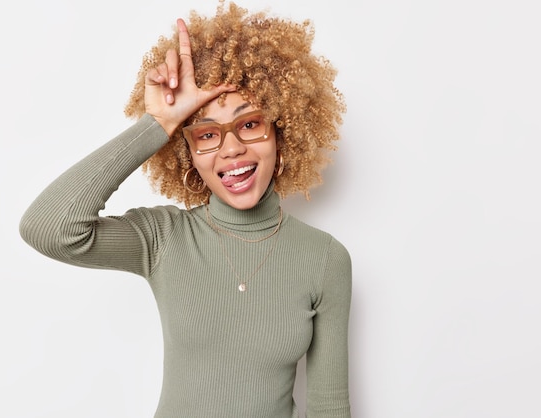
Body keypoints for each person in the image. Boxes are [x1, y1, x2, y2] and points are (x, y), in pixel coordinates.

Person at [19, 1, 351, 417]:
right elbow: (48, 228)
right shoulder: (163, 239)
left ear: (282, 132)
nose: (231, 149)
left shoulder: (324, 259)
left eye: (250, 124)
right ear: (188, 153)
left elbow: (329, 406)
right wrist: (156, 124)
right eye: (206, 134)